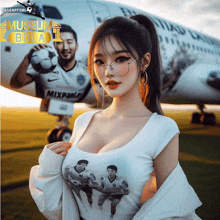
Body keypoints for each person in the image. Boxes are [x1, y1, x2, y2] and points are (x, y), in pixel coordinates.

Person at [29, 14, 202, 220]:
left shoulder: (162, 129)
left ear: (144, 62)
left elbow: (172, 209)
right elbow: (62, 207)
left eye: (121, 59)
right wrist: (50, 166)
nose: (108, 71)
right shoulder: (84, 121)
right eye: (99, 61)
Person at [10, 24, 90, 106]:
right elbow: (15, 84)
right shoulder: (44, 66)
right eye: (59, 42)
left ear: (76, 46)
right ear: (55, 45)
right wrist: (27, 59)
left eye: (69, 42)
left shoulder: (86, 71)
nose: (65, 47)